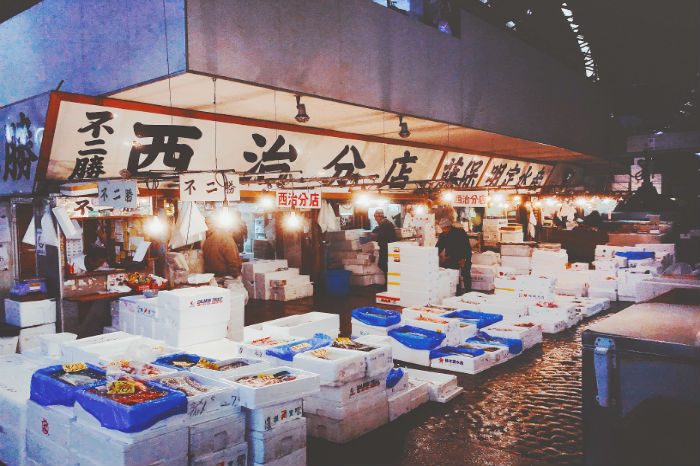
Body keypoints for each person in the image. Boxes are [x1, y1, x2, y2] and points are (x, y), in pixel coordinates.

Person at [436, 217, 472, 293]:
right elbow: (438, 247)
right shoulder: (442, 235)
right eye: (441, 228)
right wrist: (431, 255)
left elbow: (466, 246)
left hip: (464, 256)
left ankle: (469, 292)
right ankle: (457, 292)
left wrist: (464, 258)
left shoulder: (460, 232)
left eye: (444, 228)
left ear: (448, 226)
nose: (443, 230)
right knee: (454, 275)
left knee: (465, 274)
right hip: (452, 257)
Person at [370, 209, 397, 283]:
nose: (375, 219)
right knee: (384, 265)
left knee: (383, 264)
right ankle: (388, 283)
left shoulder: (385, 223)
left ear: (379, 217)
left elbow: (377, 231)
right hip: (385, 247)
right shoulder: (385, 222)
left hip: (387, 247)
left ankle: (388, 284)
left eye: (375, 218)